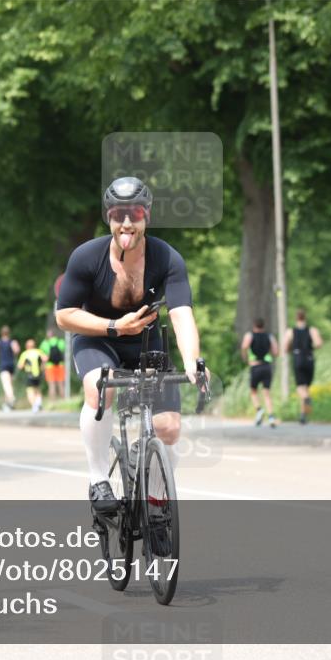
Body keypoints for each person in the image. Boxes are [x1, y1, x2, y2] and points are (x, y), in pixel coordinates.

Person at [55, 176, 204, 519]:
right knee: (99, 389)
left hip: (147, 343)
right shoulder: (86, 257)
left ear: (146, 215)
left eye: (134, 213)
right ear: (108, 216)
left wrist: (193, 361)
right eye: (117, 214)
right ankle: (98, 479)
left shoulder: (167, 258)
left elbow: (181, 315)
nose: (126, 222)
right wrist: (113, 326)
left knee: (169, 428)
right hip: (98, 338)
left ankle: (154, 504)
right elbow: (64, 316)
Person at [284, 308, 323, 424]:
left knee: (300, 387)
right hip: (309, 358)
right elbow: (319, 343)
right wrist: (310, 347)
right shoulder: (312, 330)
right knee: (306, 387)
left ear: (296, 318)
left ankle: (306, 401)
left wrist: (292, 348)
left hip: (298, 358)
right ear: (305, 317)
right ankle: (304, 415)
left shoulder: (291, 331)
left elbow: (285, 347)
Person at [240, 318, 278, 427]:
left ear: (254, 325)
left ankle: (259, 409)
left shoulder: (250, 335)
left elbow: (244, 347)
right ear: (263, 326)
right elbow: (276, 351)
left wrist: (245, 358)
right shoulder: (270, 336)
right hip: (267, 366)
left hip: (255, 366)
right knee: (267, 393)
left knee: (253, 391)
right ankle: (271, 417)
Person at [0, 326, 20, 411]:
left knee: (6, 384)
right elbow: (17, 350)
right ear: (9, 333)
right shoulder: (12, 342)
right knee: (9, 384)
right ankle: (8, 404)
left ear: (1, 333)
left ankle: (12, 398)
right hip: (11, 365)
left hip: (3, 365)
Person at [17, 339, 49, 413]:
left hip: (29, 375)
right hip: (38, 374)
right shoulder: (38, 351)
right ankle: (39, 403)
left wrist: (25, 365)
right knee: (37, 389)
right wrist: (42, 366)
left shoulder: (25, 354)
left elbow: (20, 366)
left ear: (27, 346)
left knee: (30, 390)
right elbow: (45, 358)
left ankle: (34, 405)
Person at [40, 328, 66, 401]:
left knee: (51, 385)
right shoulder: (60, 342)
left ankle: (52, 401)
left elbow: (43, 357)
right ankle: (63, 401)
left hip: (49, 366)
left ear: (48, 335)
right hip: (60, 365)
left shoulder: (44, 343)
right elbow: (63, 350)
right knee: (61, 384)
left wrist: (42, 365)